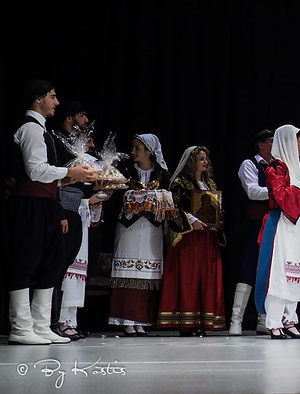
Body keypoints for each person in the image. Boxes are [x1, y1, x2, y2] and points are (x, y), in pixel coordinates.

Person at [4, 79, 95, 345]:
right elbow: (35, 171)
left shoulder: (41, 129)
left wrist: (68, 178)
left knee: (52, 261)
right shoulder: (31, 129)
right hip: (29, 204)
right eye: (52, 96)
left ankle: (41, 325)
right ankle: (21, 327)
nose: (57, 102)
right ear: (38, 98)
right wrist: (70, 171)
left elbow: (44, 175)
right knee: (26, 261)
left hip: (45, 202)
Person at [49, 101, 110, 341]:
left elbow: (79, 185)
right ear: (69, 118)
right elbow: (57, 182)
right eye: (81, 115)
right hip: (64, 209)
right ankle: (55, 321)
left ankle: (66, 320)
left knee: (72, 265)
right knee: (62, 266)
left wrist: (93, 189)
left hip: (76, 210)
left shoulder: (75, 149)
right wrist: (61, 213)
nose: (85, 120)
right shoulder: (58, 143)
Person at [254, 125, 300, 339]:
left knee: (295, 273)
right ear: (289, 143)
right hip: (282, 224)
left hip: (296, 225)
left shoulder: (293, 167)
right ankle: (274, 322)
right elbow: (281, 196)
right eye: (299, 142)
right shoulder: (276, 167)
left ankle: (289, 319)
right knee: (280, 273)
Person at [108, 134, 176, 336]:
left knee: (148, 273)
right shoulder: (125, 171)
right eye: (133, 147)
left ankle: (141, 320)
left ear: (149, 151)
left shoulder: (162, 174)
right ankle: (125, 319)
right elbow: (115, 195)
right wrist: (132, 197)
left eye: (137, 148)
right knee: (126, 270)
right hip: (128, 228)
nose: (133, 151)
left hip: (151, 230)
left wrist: (157, 197)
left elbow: (171, 200)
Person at [157, 145, 226, 336]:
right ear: (191, 161)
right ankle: (186, 322)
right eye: (201, 158)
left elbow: (216, 209)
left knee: (205, 278)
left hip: (206, 239)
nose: (205, 162)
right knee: (189, 277)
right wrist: (192, 221)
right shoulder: (180, 183)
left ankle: (202, 321)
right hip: (188, 238)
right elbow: (172, 207)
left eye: (206, 158)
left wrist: (217, 222)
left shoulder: (209, 184)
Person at [229, 129, 273, 336]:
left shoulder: (278, 166)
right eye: (271, 141)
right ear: (260, 144)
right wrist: (279, 192)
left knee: (268, 271)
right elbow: (253, 191)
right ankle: (236, 320)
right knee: (248, 269)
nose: (275, 145)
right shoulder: (249, 164)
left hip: (272, 224)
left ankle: (263, 318)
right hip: (254, 225)